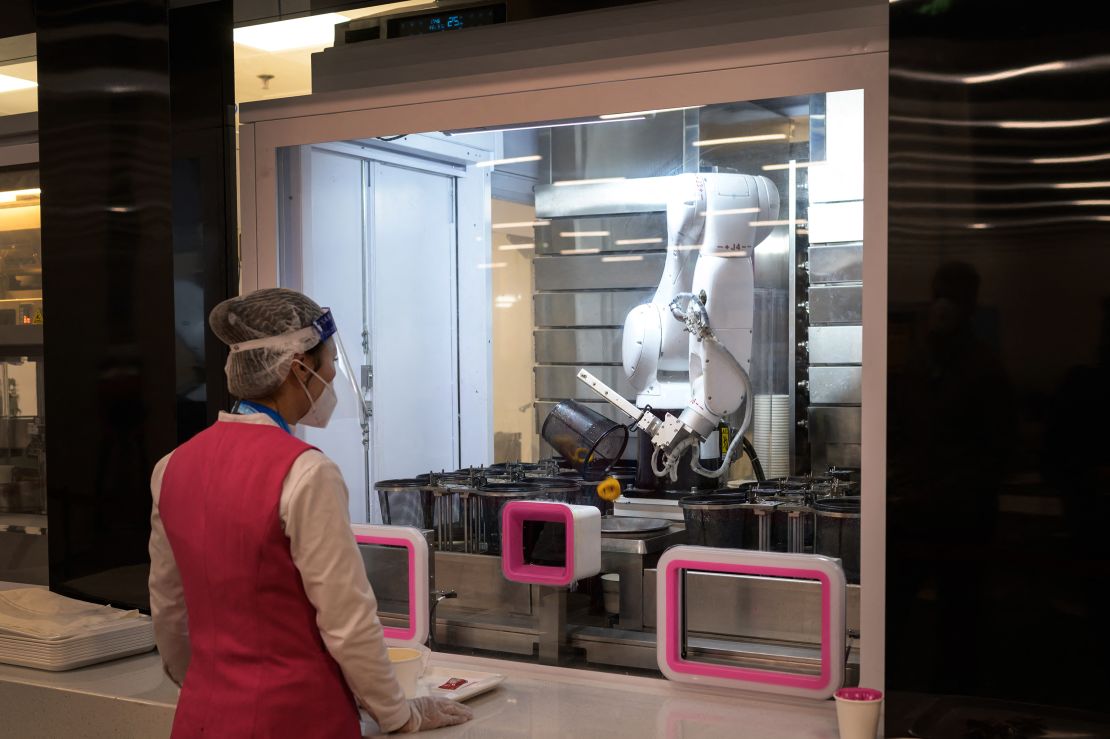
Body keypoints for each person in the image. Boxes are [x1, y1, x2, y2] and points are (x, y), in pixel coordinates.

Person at [148, 288, 473, 737]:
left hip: (203, 717)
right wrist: (399, 713)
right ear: (297, 368)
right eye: (329, 365)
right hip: (296, 717)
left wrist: (211, 687)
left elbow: (168, 608)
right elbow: (347, 620)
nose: (333, 376)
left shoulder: (171, 467)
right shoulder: (304, 471)